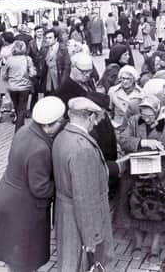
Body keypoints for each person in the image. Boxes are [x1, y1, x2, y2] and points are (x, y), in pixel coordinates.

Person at [0, 96, 65, 272]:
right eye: (61, 122)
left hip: (8, 199)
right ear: (51, 124)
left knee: (15, 259)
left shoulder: (24, 130)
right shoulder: (40, 149)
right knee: (25, 261)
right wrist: (62, 185)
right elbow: (40, 188)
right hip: (24, 209)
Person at [52, 97, 113, 271]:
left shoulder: (62, 136)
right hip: (80, 218)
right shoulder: (83, 148)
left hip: (66, 213)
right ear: (91, 117)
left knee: (69, 260)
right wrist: (90, 237)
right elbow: (85, 197)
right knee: (81, 264)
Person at [116, 95, 165, 263]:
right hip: (134, 176)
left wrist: (156, 174)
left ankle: (155, 249)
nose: (146, 118)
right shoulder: (134, 121)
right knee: (135, 210)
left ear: (158, 112)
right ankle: (137, 245)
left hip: (157, 179)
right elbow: (122, 139)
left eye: (150, 115)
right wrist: (143, 142)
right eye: (143, 114)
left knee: (157, 214)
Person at [3, 41, 37, 132]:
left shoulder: (9, 59)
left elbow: (4, 75)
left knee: (17, 108)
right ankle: (19, 131)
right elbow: (32, 73)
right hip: (24, 87)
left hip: (12, 88)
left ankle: (20, 128)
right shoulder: (27, 59)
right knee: (22, 109)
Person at [108, 65, 143, 129]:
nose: (125, 81)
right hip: (117, 126)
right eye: (123, 78)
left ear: (134, 79)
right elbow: (109, 110)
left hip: (134, 127)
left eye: (128, 79)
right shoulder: (113, 91)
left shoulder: (141, 92)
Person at [28, 26, 47, 114]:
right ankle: (33, 109)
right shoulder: (31, 43)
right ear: (35, 33)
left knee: (45, 89)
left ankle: (45, 109)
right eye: (38, 32)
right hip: (35, 69)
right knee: (34, 91)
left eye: (41, 31)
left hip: (45, 68)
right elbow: (28, 55)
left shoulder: (46, 41)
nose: (40, 33)